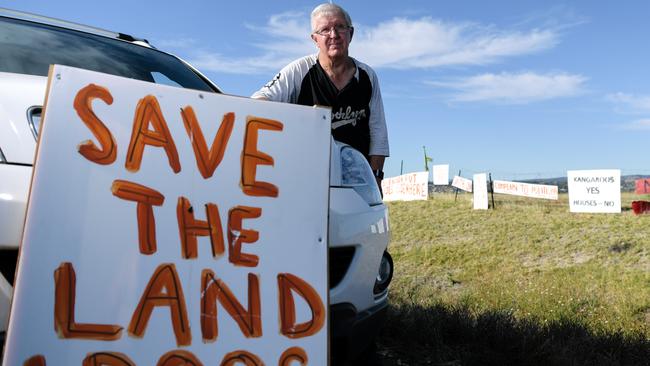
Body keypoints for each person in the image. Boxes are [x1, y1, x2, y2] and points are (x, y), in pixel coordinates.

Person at [252, 3, 389, 186]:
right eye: (325, 29)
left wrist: (376, 177)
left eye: (340, 27)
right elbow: (259, 101)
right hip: (306, 178)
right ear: (315, 39)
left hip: (356, 180)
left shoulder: (367, 76)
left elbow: (378, 132)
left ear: (351, 33)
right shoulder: (299, 70)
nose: (334, 35)